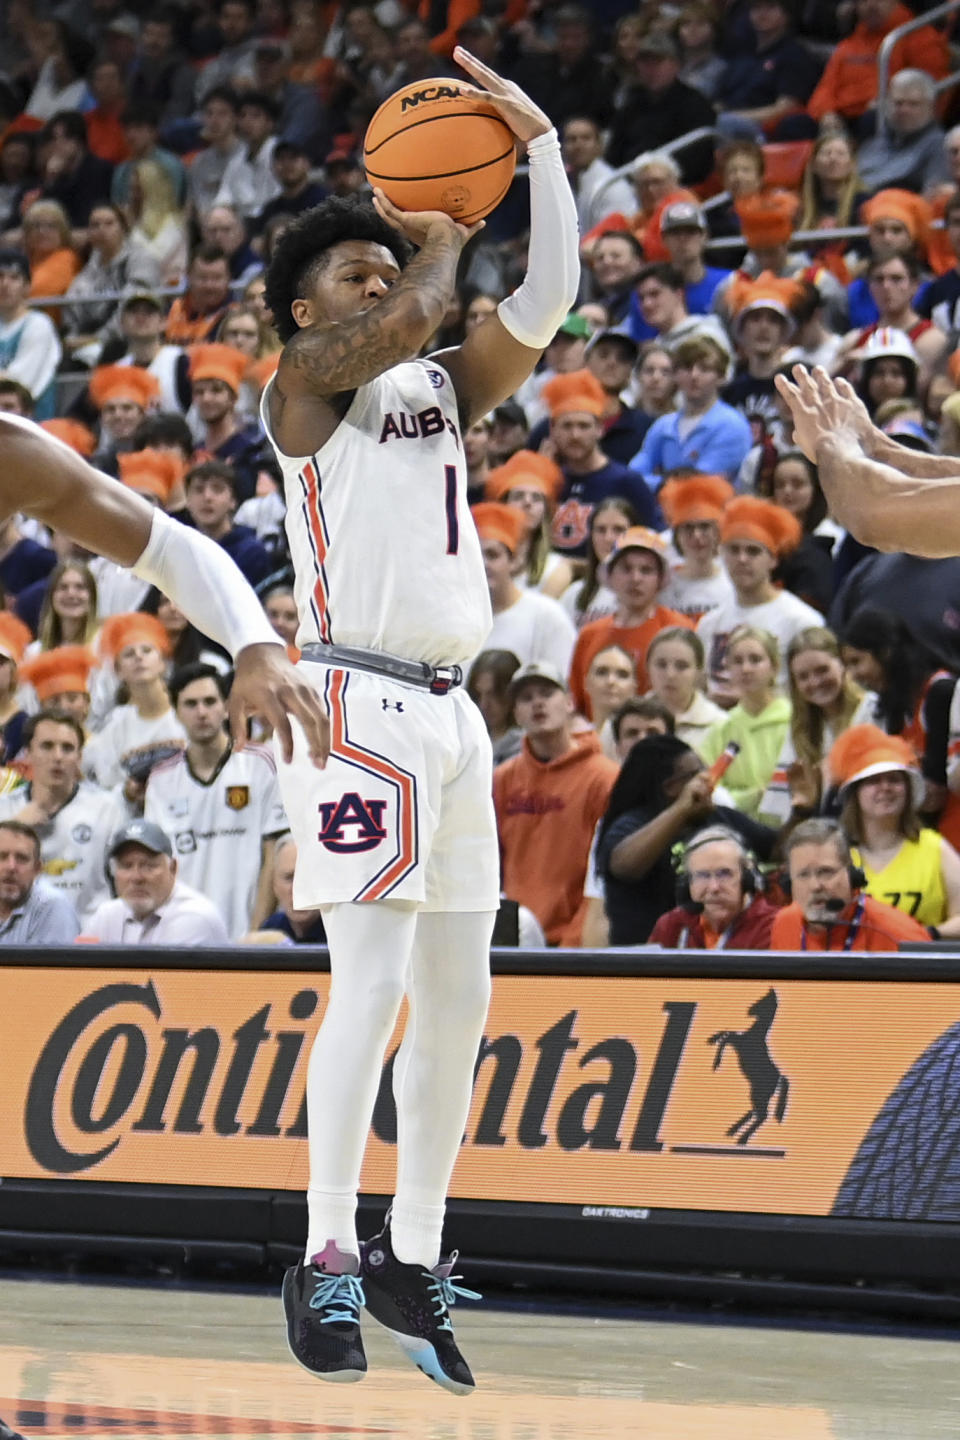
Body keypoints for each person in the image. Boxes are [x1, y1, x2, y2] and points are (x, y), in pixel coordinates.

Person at [258, 48, 579, 1391]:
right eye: (355, 273)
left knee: (463, 998)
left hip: (452, 717)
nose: (381, 285)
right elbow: (409, 320)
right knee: (372, 985)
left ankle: (411, 1250)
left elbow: (548, 301)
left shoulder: (440, 386)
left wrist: (542, 151)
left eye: (385, 270)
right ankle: (326, 1252)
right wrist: (439, 240)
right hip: (353, 702)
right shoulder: (304, 389)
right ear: (299, 308)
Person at [145, 663, 287, 939]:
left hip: (250, 931)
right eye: (190, 704)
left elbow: (275, 853)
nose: (201, 712)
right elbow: (158, 864)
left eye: (209, 702)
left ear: (226, 707)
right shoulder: (161, 779)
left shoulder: (261, 763)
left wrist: (257, 931)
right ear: (176, 712)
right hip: (185, 936)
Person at [595, 733, 777, 944]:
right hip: (646, 956)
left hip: (717, 948)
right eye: (696, 773)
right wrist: (681, 810)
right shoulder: (632, 823)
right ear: (670, 787)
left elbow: (777, 849)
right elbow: (624, 866)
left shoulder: (720, 816)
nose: (708, 778)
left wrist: (802, 810)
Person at [493, 661, 617, 945]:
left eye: (547, 693)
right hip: (514, 935)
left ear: (570, 702)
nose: (537, 703)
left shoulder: (603, 777)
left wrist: (579, 940)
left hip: (574, 941)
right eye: (526, 698)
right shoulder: (502, 780)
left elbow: (603, 877)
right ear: (515, 714)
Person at [830, 725, 960, 937]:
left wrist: (927, 934)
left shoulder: (934, 847)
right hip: (854, 967)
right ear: (855, 795)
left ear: (908, 791)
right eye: (873, 781)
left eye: (894, 780)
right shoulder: (836, 854)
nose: (886, 788)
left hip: (921, 966)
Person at [0, 710, 124, 922]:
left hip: (88, 940)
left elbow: (124, 880)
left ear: (79, 757)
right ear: (28, 753)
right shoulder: (5, 808)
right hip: (17, 939)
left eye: (67, 748)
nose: (57, 756)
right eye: (47, 746)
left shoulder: (107, 809)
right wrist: (15, 826)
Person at [696, 496, 823, 701]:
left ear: (773, 559)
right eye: (734, 550)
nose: (742, 559)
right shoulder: (709, 624)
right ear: (721, 554)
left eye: (753, 551)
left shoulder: (801, 620)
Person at [568, 527, 693, 717]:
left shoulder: (678, 630)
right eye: (626, 569)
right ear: (611, 575)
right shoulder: (589, 635)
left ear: (660, 579)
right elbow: (577, 705)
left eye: (646, 570)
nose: (635, 579)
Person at [762, 626, 878, 823]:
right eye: (803, 677)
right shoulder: (800, 728)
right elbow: (783, 809)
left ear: (842, 665)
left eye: (822, 670)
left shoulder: (871, 710)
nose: (815, 682)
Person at [771, 817, 929, 951]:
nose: (815, 886)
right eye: (803, 875)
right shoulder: (784, 924)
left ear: (852, 874)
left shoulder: (897, 933)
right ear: (789, 883)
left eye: (826, 872)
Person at [806, 0, 949, 133]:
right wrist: (826, 113)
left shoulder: (919, 36)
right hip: (842, 118)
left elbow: (931, 87)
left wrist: (889, 102)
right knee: (797, 123)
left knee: (872, 119)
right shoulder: (849, 44)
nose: (871, 5)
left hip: (884, 116)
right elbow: (825, 87)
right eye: (863, 1)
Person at [84, 817, 230, 944]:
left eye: (149, 866)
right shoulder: (106, 916)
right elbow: (76, 971)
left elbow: (156, 977)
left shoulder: (195, 917)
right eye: (126, 866)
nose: (136, 877)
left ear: (173, 868)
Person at [630, 336, 751, 488]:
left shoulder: (732, 425)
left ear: (721, 377)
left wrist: (658, 481)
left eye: (705, 369)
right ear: (675, 374)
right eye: (687, 368)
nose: (694, 376)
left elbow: (698, 485)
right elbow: (633, 476)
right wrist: (665, 482)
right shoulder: (663, 425)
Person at [700, 625, 791, 822]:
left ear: (774, 667)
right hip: (736, 829)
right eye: (737, 661)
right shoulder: (721, 729)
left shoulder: (794, 723)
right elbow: (708, 790)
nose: (746, 669)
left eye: (755, 660)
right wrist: (752, 797)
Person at [474, 502, 576, 675]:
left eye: (493, 555)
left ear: (513, 561)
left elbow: (562, 682)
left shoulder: (547, 615)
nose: (484, 564)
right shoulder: (461, 618)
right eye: (477, 556)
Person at [648, 824, 780, 949]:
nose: (713, 887)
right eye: (702, 876)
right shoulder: (672, 925)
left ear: (746, 879)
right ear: (688, 884)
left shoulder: (773, 925)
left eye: (724, 874)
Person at [658, 473, 736, 623]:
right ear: (676, 535)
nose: (697, 535)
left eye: (704, 526)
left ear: (717, 531)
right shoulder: (663, 585)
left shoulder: (732, 580)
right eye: (688, 528)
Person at [855, 70, 948, 196]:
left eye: (913, 104)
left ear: (930, 107)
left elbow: (934, 196)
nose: (904, 110)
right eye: (898, 103)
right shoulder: (875, 141)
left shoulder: (940, 146)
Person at [0, 248, 61, 418]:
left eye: (14, 278)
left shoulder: (39, 324)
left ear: (27, 286)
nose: (5, 284)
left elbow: (17, 384)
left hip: (33, 427)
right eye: (0, 276)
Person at [558, 497, 635, 631]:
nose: (608, 538)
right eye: (600, 530)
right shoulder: (574, 593)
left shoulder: (647, 594)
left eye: (618, 529)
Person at [646, 626, 727, 751]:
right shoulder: (628, 720)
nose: (670, 674)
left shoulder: (721, 724)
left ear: (699, 672)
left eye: (681, 666)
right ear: (648, 667)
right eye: (661, 665)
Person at [0, 819, 80, 944]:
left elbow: (53, 963)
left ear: (37, 869)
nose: (11, 867)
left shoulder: (52, 906)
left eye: (22, 858)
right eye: (2, 856)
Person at [259, 831, 326, 943]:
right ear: (274, 885)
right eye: (289, 878)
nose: (297, 890)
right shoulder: (272, 928)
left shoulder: (340, 933)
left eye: (306, 879)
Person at [466, 648, 522, 766]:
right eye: (478, 695)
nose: (484, 704)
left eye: (493, 695)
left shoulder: (529, 748)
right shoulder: (469, 742)